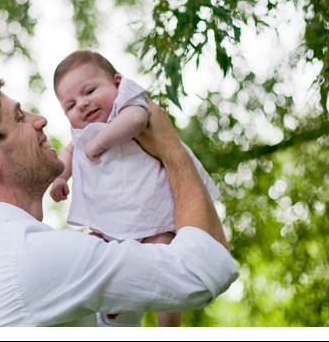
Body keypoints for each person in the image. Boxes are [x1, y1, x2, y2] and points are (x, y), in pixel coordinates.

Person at [0, 77, 238, 327]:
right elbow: (205, 271)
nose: (41, 120)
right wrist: (170, 148)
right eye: (20, 117)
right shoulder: (30, 255)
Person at [50, 50, 222, 326]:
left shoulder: (126, 103)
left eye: (90, 90)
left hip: (151, 214)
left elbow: (137, 120)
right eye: (70, 105)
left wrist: (100, 142)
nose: (82, 104)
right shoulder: (81, 133)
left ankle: (168, 326)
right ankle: (115, 303)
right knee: (98, 254)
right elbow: (69, 153)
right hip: (111, 221)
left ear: (118, 82)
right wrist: (60, 177)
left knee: (167, 255)